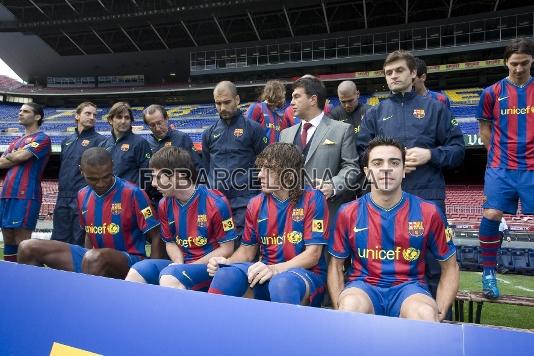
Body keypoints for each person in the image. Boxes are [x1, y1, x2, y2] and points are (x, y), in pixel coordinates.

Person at [356, 50, 464, 308]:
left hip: (428, 193)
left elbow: (458, 150)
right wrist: (385, 163)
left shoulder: (435, 108)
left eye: (399, 70)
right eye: (389, 72)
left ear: (413, 73)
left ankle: (437, 322)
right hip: (385, 199)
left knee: (435, 263)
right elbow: (362, 152)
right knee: (385, 261)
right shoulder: (375, 112)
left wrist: (431, 154)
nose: (393, 76)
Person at [328, 136, 459, 322]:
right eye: (377, 162)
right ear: (367, 172)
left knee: (425, 315)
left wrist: (440, 312)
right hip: (363, 287)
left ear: (404, 170)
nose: (386, 168)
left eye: (394, 162)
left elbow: (450, 266)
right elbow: (336, 266)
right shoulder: (347, 212)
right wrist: (339, 307)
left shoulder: (428, 212)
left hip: (410, 289)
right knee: (350, 308)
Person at [207, 143, 328, 306]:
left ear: (289, 174)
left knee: (282, 283)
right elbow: (246, 252)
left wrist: (276, 269)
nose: (260, 176)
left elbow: (313, 255)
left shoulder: (313, 198)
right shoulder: (255, 203)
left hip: (304, 276)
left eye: (268, 170)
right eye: (261, 169)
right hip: (266, 272)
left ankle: (289, 331)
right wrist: (226, 263)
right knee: (225, 275)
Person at [17, 148, 163, 278]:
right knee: (27, 247)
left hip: (130, 260)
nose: (100, 183)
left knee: (94, 258)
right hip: (93, 257)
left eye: (105, 176)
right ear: (82, 171)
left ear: (112, 165)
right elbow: (88, 232)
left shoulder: (134, 193)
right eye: (93, 179)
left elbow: (156, 234)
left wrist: (149, 273)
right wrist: (87, 258)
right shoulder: (82, 195)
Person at [125, 146, 237, 290]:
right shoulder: (164, 204)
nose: (153, 183)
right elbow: (170, 242)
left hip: (209, 268)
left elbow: (227, 248)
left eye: (158, 177)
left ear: (178, 176)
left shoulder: (215, 202)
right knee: (137, 270)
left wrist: (187, 267)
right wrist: (178, 262)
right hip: (181, 265)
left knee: (170, 277)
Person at [476, 38, 534, 299]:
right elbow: (485, 130)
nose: (519, 68)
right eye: (514, 64)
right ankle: (488, 274)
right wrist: (496, 156)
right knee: (491, 214)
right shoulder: (491, 92)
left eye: (524, 63)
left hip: (532, 167)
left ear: (532, 61)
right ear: (505, 63)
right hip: (501, 166)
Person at [279, 76, 359, 222]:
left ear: (313, 99)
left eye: (296, 97)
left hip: (327, 211)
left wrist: (332, 185)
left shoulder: (342, 130)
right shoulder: (285, 134)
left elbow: (352, 168)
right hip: (291, 214)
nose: (291, 103)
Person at [202, 81, 267, 236]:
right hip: (217, 201)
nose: (222, 108)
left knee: (242, 244)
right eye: (218, 103)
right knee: (218, 243)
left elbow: (265, 164)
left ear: (237, 100)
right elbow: (205, 166)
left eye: (227, 102)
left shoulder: (254, 129)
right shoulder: (209, 133)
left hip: (245, 200)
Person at [0, 103, 51, 262]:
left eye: (26, 111)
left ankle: (28, 277)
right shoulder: (15, 141)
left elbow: (19, 158)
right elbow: (1, 163)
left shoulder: (42, 138)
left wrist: (14, 156)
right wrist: (15, 155)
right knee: (8, 237)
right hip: (6, 194)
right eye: (20, 111)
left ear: (37, 116)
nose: (20, 113)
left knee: (22, 241)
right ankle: (11, 275)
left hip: (26, 194)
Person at [51, 102, 106, 246]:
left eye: (95, 115)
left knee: (79, 242)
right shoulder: (66, 141)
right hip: (62, 197)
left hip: (84, 197)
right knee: (58, 241)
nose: (92, 117)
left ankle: (78, 269)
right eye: (88, 113)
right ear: (77, 116)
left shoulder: (100, 141)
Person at [101, 102, 152, 186]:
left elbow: (147, 174)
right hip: (109, 196)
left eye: (127, 118)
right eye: (119, 117)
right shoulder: (103, 145)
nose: (123, 121)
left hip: (131, 196)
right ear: (110, 120)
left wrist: (136, 193)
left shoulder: (140, 143)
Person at [142, 104, 202, 170]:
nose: (157, 128)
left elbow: (196, 165)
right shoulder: (147, 144)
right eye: (152, 125)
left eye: (159, 123)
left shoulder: (182, 138)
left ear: (166, 118)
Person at [246, 80, 290, 144]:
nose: (283, 98)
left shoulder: (281, 114)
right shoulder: (257, 108)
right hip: (259, 152)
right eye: (281, 94)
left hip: (276, 152)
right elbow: (246, 131)